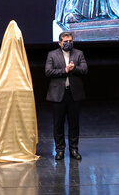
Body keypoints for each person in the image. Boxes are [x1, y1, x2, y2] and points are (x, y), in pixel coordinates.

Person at [45, 31, 88, 160]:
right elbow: (48, 71)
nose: (68, 43)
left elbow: (85, 70)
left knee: (74, 124)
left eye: (70, 41)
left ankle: (74, 149)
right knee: (58, 124)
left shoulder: (78, 53)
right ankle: (59, 150)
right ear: (60, 43)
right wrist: (65, 70)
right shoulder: (52, 54)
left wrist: (73, 68)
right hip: (58, 94)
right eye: (65, 42)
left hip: (74, 94)